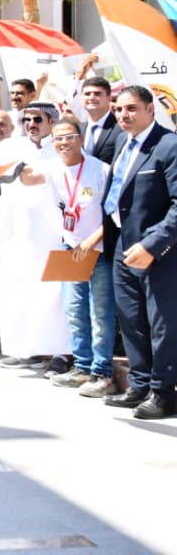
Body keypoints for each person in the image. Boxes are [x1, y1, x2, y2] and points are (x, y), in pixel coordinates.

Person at [19, 118, 116, 397]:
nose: (63, 143)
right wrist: (17, 172)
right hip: (70, 249)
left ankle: (102, 372)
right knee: (74, 311)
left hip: (97, 251)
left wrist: (91, 241)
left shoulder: (100, 170)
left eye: (69, 137)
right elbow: (30, 179)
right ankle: (82, 367)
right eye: (58, 138)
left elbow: (113, 214)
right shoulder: (53, 168)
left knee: (100, 314)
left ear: (81, 139)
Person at [102, 86, 177, 420]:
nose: (123, 115)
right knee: (131, 320)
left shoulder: (169, 145)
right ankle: (140, 384)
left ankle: (164, 393)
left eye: (131, 108)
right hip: (122, 244)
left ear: (150, 109)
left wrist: (152, 245)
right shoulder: (123, 141)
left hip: (160, 251)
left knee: (163, 324)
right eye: (118, 109)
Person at [0, 101, 69, 369]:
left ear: (51, 123)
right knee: (18, 291)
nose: (31, 125)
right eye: (27, 120)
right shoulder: (12, 149)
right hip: (16, 235)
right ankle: (26, 350)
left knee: (53, 295)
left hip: (51, 235)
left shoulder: (60, 151)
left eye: (37, 120)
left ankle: (60, 353)